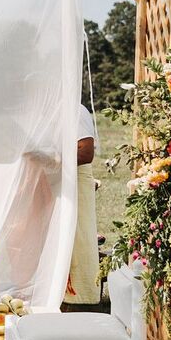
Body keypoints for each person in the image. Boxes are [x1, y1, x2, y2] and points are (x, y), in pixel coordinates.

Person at [65, 104, 101, 304]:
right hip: (54, 180)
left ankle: (82, 296)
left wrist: (53, 159)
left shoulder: (76, 111)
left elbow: (86, 153)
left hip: (75, 180)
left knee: (79, 238)